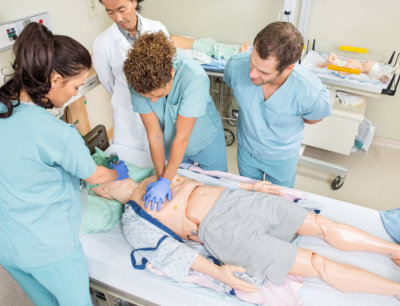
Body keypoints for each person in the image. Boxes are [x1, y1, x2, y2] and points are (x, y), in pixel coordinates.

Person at [91, 173, 400, 299]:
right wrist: (218, 272)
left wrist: (251, 187)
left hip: (240, 201)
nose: (106, 169)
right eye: (96, 172)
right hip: (223, 233)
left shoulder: (159, 174)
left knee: (323, 225)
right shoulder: (132, 219)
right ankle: (395, 290)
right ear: (100, 191)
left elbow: (204, 179)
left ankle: (393, 250)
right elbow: (170, 253)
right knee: (316, 263)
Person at [0, 22, 129, 306]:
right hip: (50, 250)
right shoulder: (58, 135)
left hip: (7, 245)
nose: (75, 94)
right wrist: (116, 172)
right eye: (76, 86)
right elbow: (94, 175)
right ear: (55, 80)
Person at [123, 31, 227, 210]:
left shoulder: (194, 78)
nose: (153, 101)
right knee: (179, 185)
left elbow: (182, 137)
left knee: (216, 188)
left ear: (171, 73)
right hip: (171, 142)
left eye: (158, 95)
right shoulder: (137, 82)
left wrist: (166, 181)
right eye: (147, 97)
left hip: (204, 139)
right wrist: (162, 177)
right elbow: (154, 135)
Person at [224, 22, 331, 188]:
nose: (252, 74)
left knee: (280, 199)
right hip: (247, 149)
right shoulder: (236, 66)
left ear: (288, 69)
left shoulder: (309, 90)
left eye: (264, 72)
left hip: (282, 157)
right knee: (249, 196)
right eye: (252, 62)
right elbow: (234, 82)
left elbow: (314, 118)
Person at [93, 0, 169, 151]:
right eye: (110, 12)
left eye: (121, 9)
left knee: (162, 155)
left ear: (134, 1)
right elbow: (108, 82)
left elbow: (167, 69)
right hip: (128, 112)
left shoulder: (157, 28)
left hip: (158, 106)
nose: (118, 18)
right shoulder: (102, 43)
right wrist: (130, 96)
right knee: (132, 161)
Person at [318, 52, 392, 83]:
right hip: (341, 62)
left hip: (340, 66)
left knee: (331, 61)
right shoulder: (360, 64)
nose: (369, 61)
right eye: (371, 61)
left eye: (371, 63)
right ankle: (328, 62)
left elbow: (346, 72)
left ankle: (323, 65)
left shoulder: (359, 70)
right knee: (332, 54)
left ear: (369, 70)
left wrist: (340, 69)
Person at [170, 34, 249, 59]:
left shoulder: (169, 38)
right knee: (216, 49)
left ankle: (237, 51)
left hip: (198, 43)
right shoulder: (170, 42)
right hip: (198, 45)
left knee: (216, 47)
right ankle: (237, 51)